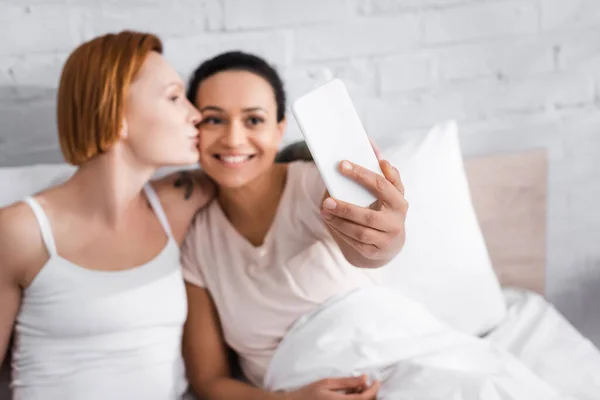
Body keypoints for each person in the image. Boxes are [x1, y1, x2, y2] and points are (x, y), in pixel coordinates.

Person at [181, 51, 409, 399]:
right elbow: (209, 382)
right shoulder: (197, 239)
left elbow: (365, 250)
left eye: (253, 120)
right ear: (193, 127)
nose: (233, 139)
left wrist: (385, 241)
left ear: (280, 129)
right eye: (214, 120)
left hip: (391, 369)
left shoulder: (313, 185)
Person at [0, 31, 214, 399]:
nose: (195, 115)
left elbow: (266, 173)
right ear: (116, 114)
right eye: (174, 97)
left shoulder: (177, 205)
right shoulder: (21, 231)